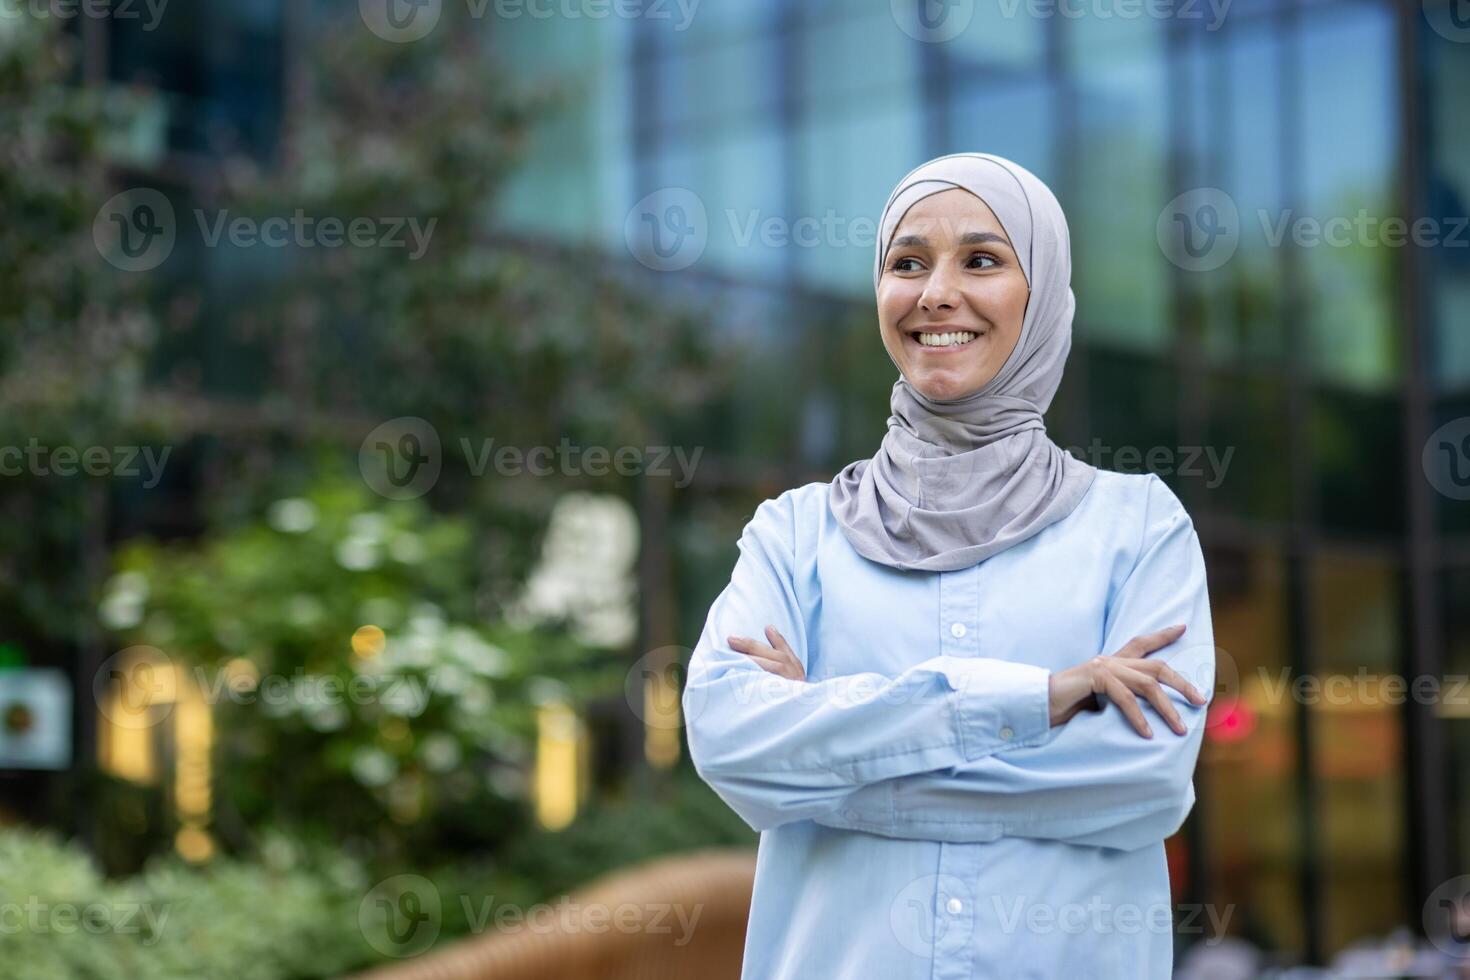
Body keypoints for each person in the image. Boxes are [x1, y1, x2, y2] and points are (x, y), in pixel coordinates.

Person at [682, 152, 1216, 979]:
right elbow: (729, 742)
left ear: (1040, 290)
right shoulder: (795, 535)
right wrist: (1037, 702)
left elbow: (1138, 783)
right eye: (907, 263)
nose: (935, 293)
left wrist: (828, 763)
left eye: (982, 260)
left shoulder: (1137, 527)